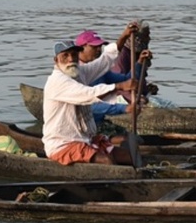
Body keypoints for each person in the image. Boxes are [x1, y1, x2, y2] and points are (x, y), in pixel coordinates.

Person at [42, 22, 151, 166]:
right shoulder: (58, 81)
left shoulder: (79, 72)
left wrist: (124, 36)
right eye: (65, 56)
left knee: (129, 157)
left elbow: (104, 61)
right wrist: (119, 87)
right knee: (106, 161)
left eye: (74, 55)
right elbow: (89, 94)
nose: (70, 59)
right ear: (56, 60)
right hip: (63, 144)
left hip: (86, 139)